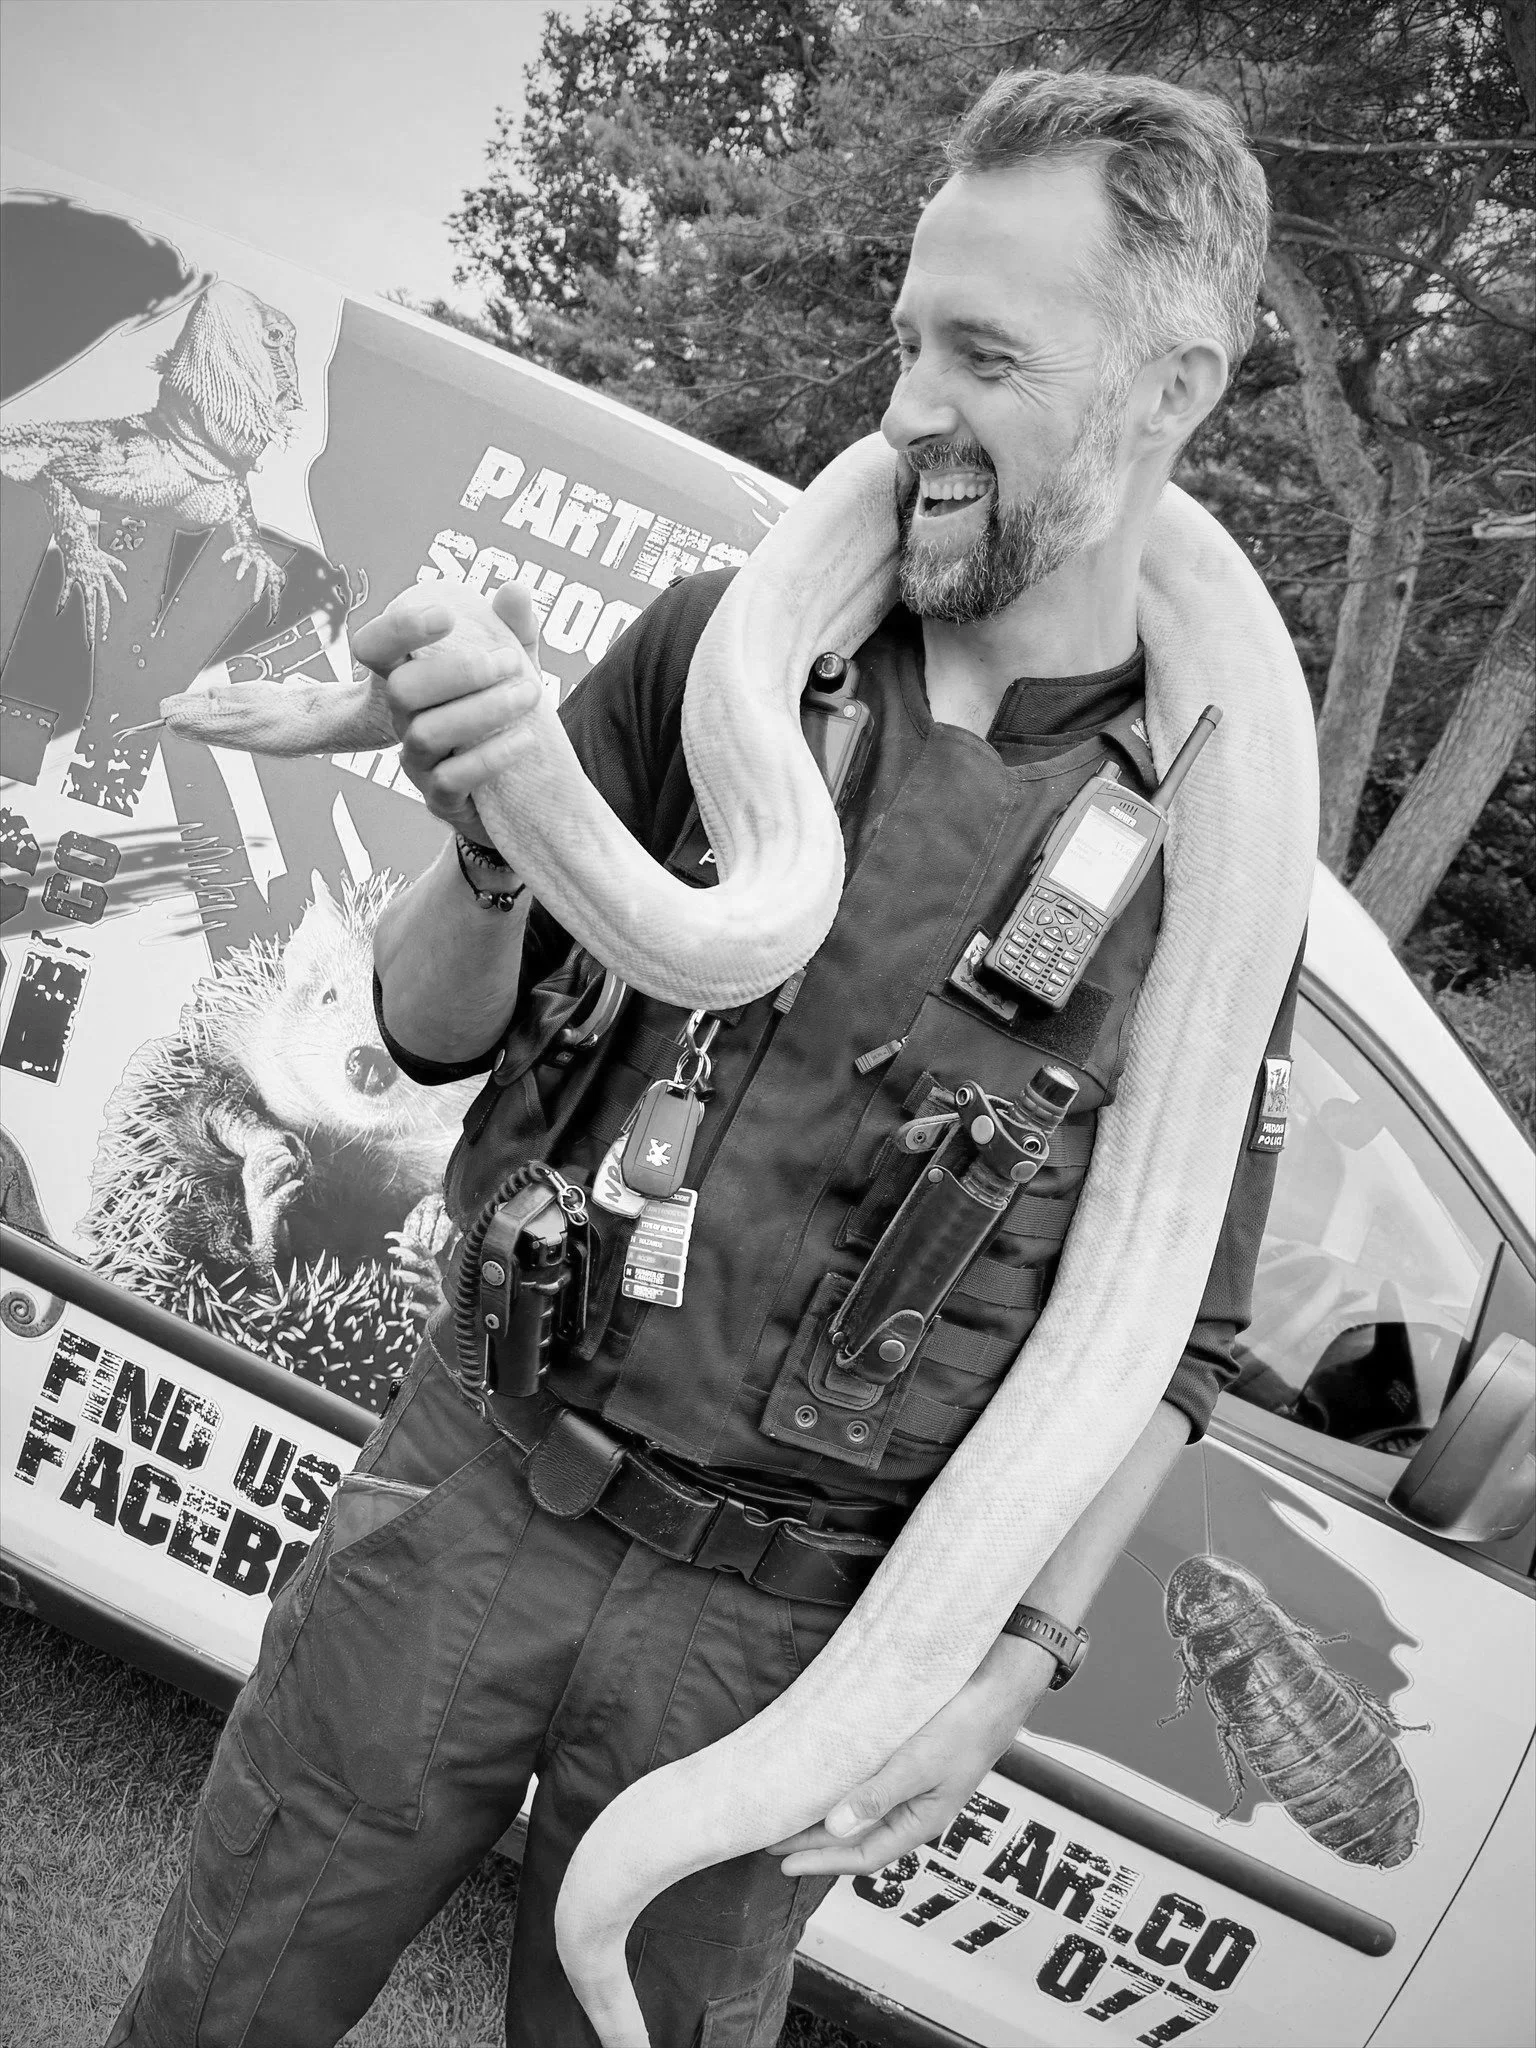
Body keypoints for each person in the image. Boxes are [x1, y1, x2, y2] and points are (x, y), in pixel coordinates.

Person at [110, 67, 1303, 2048]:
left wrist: (1010, 1659)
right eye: (909, 335)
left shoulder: (1220, 858)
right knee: (220, 2002)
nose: (911, 401)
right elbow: (422, 1034)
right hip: (473, 1488)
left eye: (985, 353)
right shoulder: (708, 646)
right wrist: (495, 835)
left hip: (793, 1636)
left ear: (1173, 386)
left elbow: (1175, 1340)